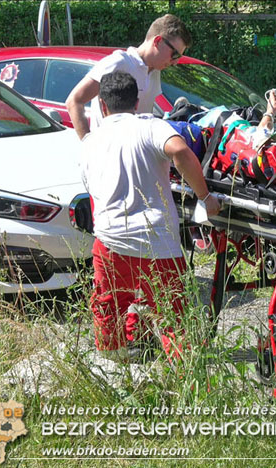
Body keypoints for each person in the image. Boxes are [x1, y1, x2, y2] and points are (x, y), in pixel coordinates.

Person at [81, 71, 220, 361]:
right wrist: (205, 198)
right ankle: (187, 377)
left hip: (109, 242)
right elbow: (179, 149)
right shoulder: (151, 127)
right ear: (137, 101)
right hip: (157, 243)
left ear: (102, 106)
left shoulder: (90, 141)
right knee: (174, 315)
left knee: (109, 307)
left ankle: (116, 368)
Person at [66, 14, 192, 140]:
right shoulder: (118, 62)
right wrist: (88, 144)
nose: (175, 62)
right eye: (174, 54)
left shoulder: (155, 71)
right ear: (157, 41)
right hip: (108, 154)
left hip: (133, 156)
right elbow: (74, 101)